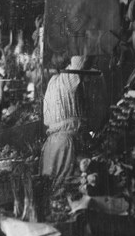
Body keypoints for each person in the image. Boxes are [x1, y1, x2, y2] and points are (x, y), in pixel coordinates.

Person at [39, 55, 94, 187]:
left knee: (51, 188)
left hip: (52, 144)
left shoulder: (53, 82)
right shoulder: (68, 78)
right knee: (65, 188)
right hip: (66, 143)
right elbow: (81, 59)